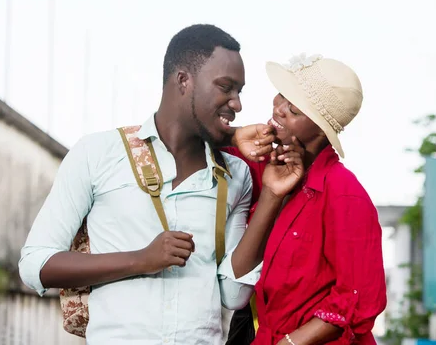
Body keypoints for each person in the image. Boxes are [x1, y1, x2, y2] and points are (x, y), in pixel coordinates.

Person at [18, 24, 303, 345]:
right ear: (183, 81)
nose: (237, 104)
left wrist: (271, 197)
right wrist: (142, 259)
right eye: (226, 87)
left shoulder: (235, 174)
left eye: (240, 91)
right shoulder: (97, 153)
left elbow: (233, 296)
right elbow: (34, 265)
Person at [226, 53, 387, 345]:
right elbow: (195, 150)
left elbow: (357, 297)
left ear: (320, 130)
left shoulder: (344, 193)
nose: (279, 109)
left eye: (295, 110)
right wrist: (234, 136)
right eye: (282, 96)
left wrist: (288, 343)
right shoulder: (263, 163)